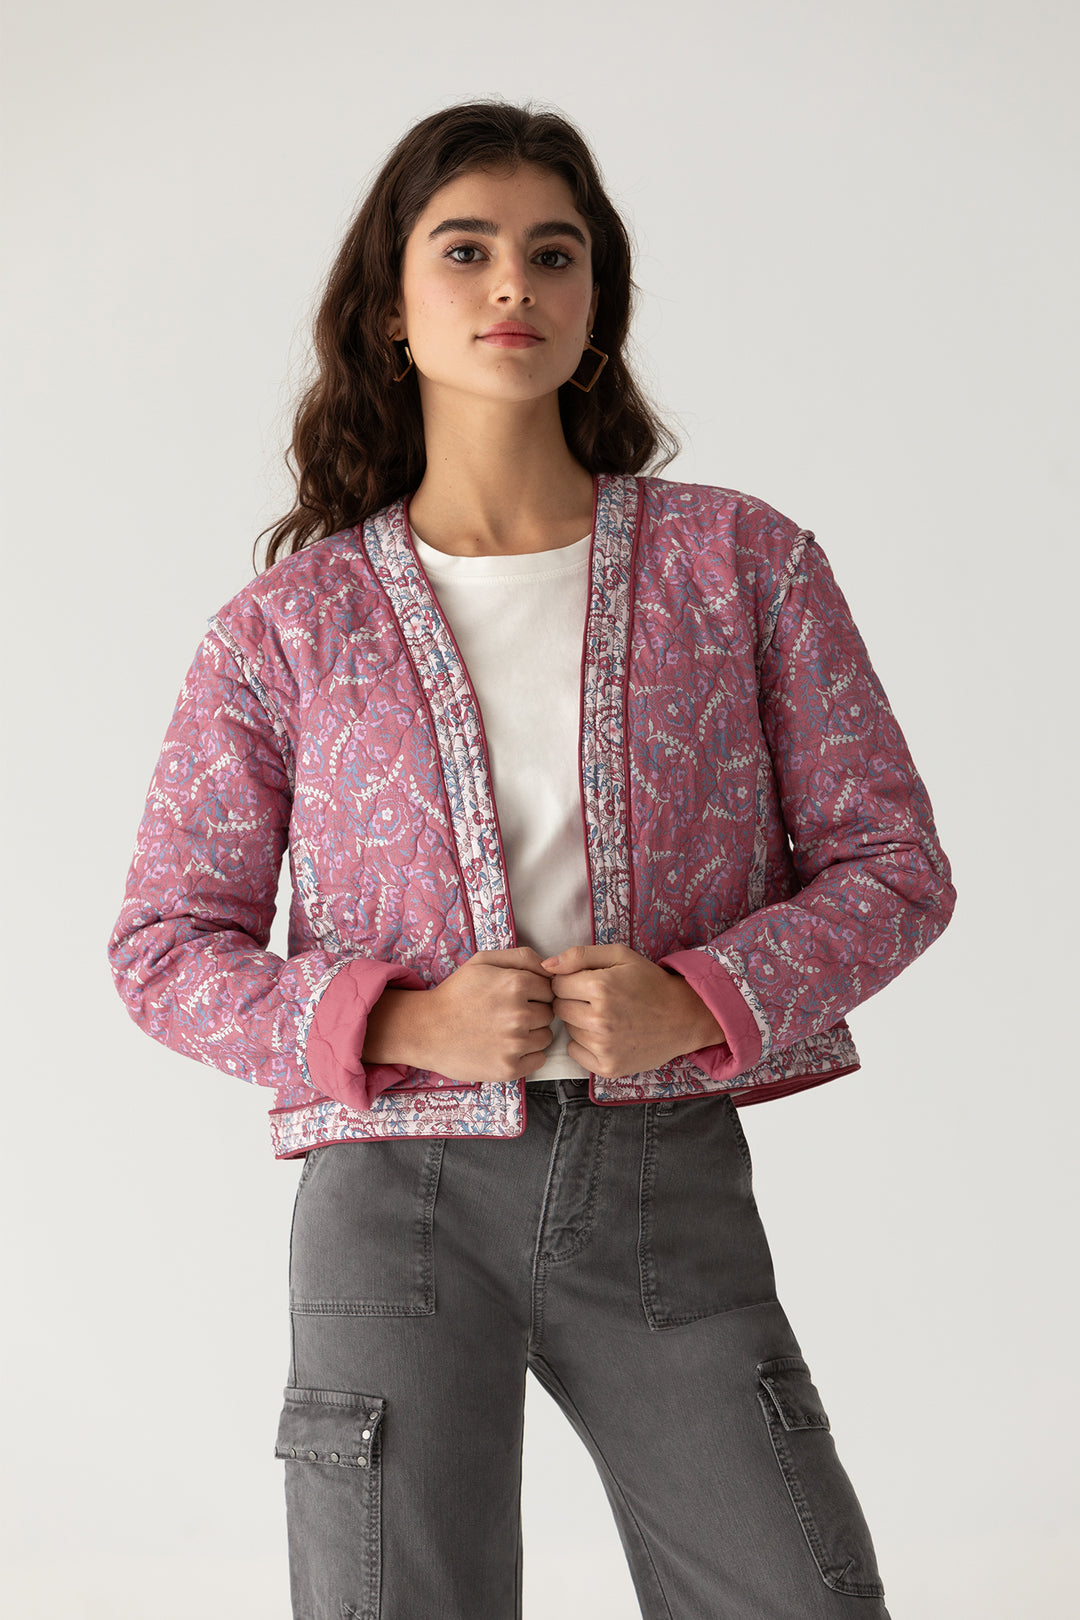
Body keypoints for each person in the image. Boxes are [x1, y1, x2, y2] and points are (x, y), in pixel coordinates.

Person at [108, 99, 955, 1619]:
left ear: (596, 301)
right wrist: (402, 1023)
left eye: (555, 254)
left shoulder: (742, 564)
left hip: (663, 1185)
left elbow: (894, 863)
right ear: (391, 307)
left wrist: (698, 996)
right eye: (467, 250)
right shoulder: (286, 629)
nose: (515, 283)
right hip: (396, 1197)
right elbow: (164, 947)